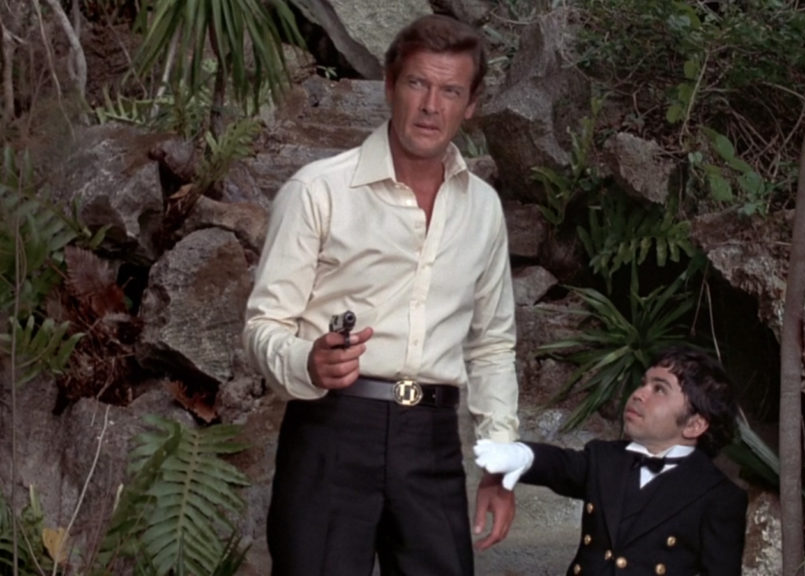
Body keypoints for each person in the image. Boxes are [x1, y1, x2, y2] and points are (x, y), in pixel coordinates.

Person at [243, 14, 518, 576]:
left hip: (434, 441)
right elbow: (263, 326)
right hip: (331, 431)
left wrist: (498, 462)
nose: (431, 106)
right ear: (390, 85)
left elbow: (491, 344)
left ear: (471, 105)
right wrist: (307, 361)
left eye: (450, 91)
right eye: (418, 83)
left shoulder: (483, 208)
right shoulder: (318, 190)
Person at [474, 346, 747, 576]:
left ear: (695, 425)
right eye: (643, 383)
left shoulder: (719, 496)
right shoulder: (606, 458)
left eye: (659, 389)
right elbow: (561, 465)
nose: (639, 394)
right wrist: (523, 455)